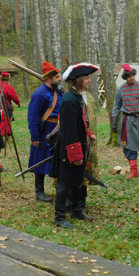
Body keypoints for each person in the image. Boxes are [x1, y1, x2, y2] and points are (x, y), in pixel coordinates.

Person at [49, 62, 99, 229]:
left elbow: (81, 123)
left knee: (77, 180)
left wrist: (88, 134)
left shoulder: (77, 97)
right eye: (86, 78)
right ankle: (59, 217)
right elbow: (69, 130)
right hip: (70, 148)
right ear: (77, 80)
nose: (89, 81)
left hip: (79, 145)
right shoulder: (69, 100)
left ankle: (77, 211)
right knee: (64, 183)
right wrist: (75, 154)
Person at [27, 61, 64, 203]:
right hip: (44, 132)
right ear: (49, 78)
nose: (60, 79)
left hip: (58, 131)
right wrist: (35, 136)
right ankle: (39, 191)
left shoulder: (58, 92)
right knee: (40, 159)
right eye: (57, 77)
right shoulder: (39, 94)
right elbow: (33, 116)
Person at [111, 63, 139, 178]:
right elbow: (116, 106)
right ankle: (133, 170)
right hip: (127, 121)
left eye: (133, 75)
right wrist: (114, 121)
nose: (131, 78)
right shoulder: (120, 89)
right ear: (125, 77)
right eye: (129, 76)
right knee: (129, 145)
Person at [0, 71, 20, 136]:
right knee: (6, 121)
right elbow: (14, 97)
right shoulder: (9, 87)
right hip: (6, 106)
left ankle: (2, 134)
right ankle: (7, 134)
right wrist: (18, 103)